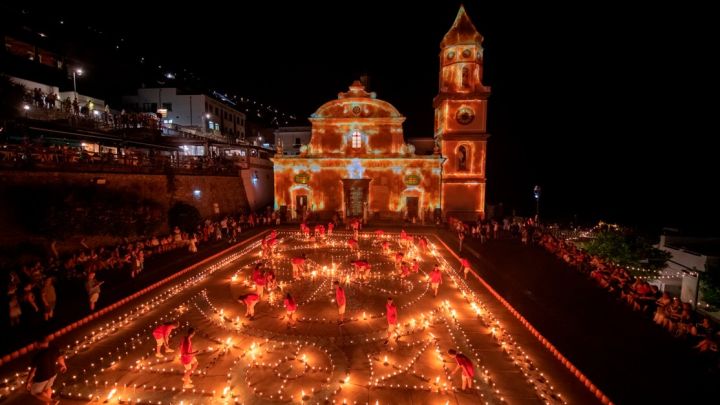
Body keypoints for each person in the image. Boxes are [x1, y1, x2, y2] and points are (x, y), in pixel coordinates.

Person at [25, 336, 66, 405]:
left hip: (42, 378)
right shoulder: (54, 349)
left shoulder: (37, 356)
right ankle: (47, 403)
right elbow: (60, 358)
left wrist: (28, 382)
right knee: (47, 388)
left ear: (39, 344)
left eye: (36, 344)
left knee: (34, 392)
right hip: (53, 374)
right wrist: (63, 365)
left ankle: (52, 401)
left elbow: (32, 371)